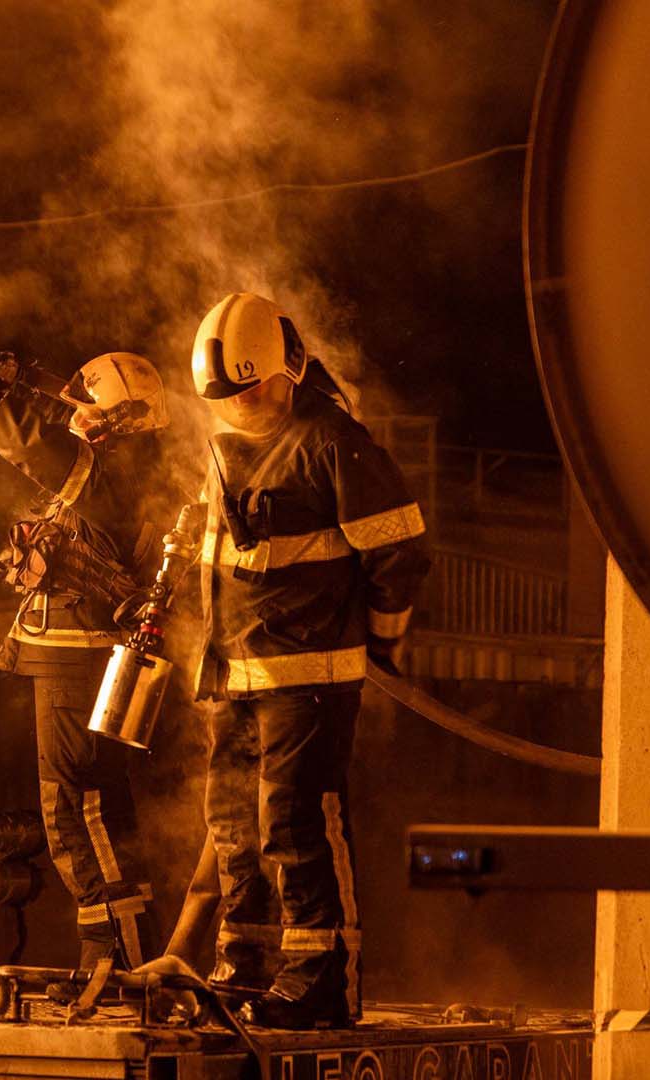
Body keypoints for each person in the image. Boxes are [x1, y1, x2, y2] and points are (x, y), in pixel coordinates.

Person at [187, 292, 431, 1028]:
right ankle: (246, 960)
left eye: (250, 388)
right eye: (227, 396)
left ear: (285, 370)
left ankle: (322, 977)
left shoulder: (332, 441)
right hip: (236, 672)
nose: (240, 405)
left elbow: (400, 549)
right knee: (233, 822)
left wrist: (384, 637)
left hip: (310, 676)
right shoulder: (227, 446)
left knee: (295, 822)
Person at [0, 314, 174, 972]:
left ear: (114, 420)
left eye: (85, 409)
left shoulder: (107, 475)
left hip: (78, 668)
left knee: (78, 809)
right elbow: (54, 420)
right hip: (86, 664)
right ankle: (117, 958)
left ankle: (120, 968)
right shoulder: (129, 471)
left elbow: (27, 443)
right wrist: (12, 374)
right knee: (97, 811)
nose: (72, 417)